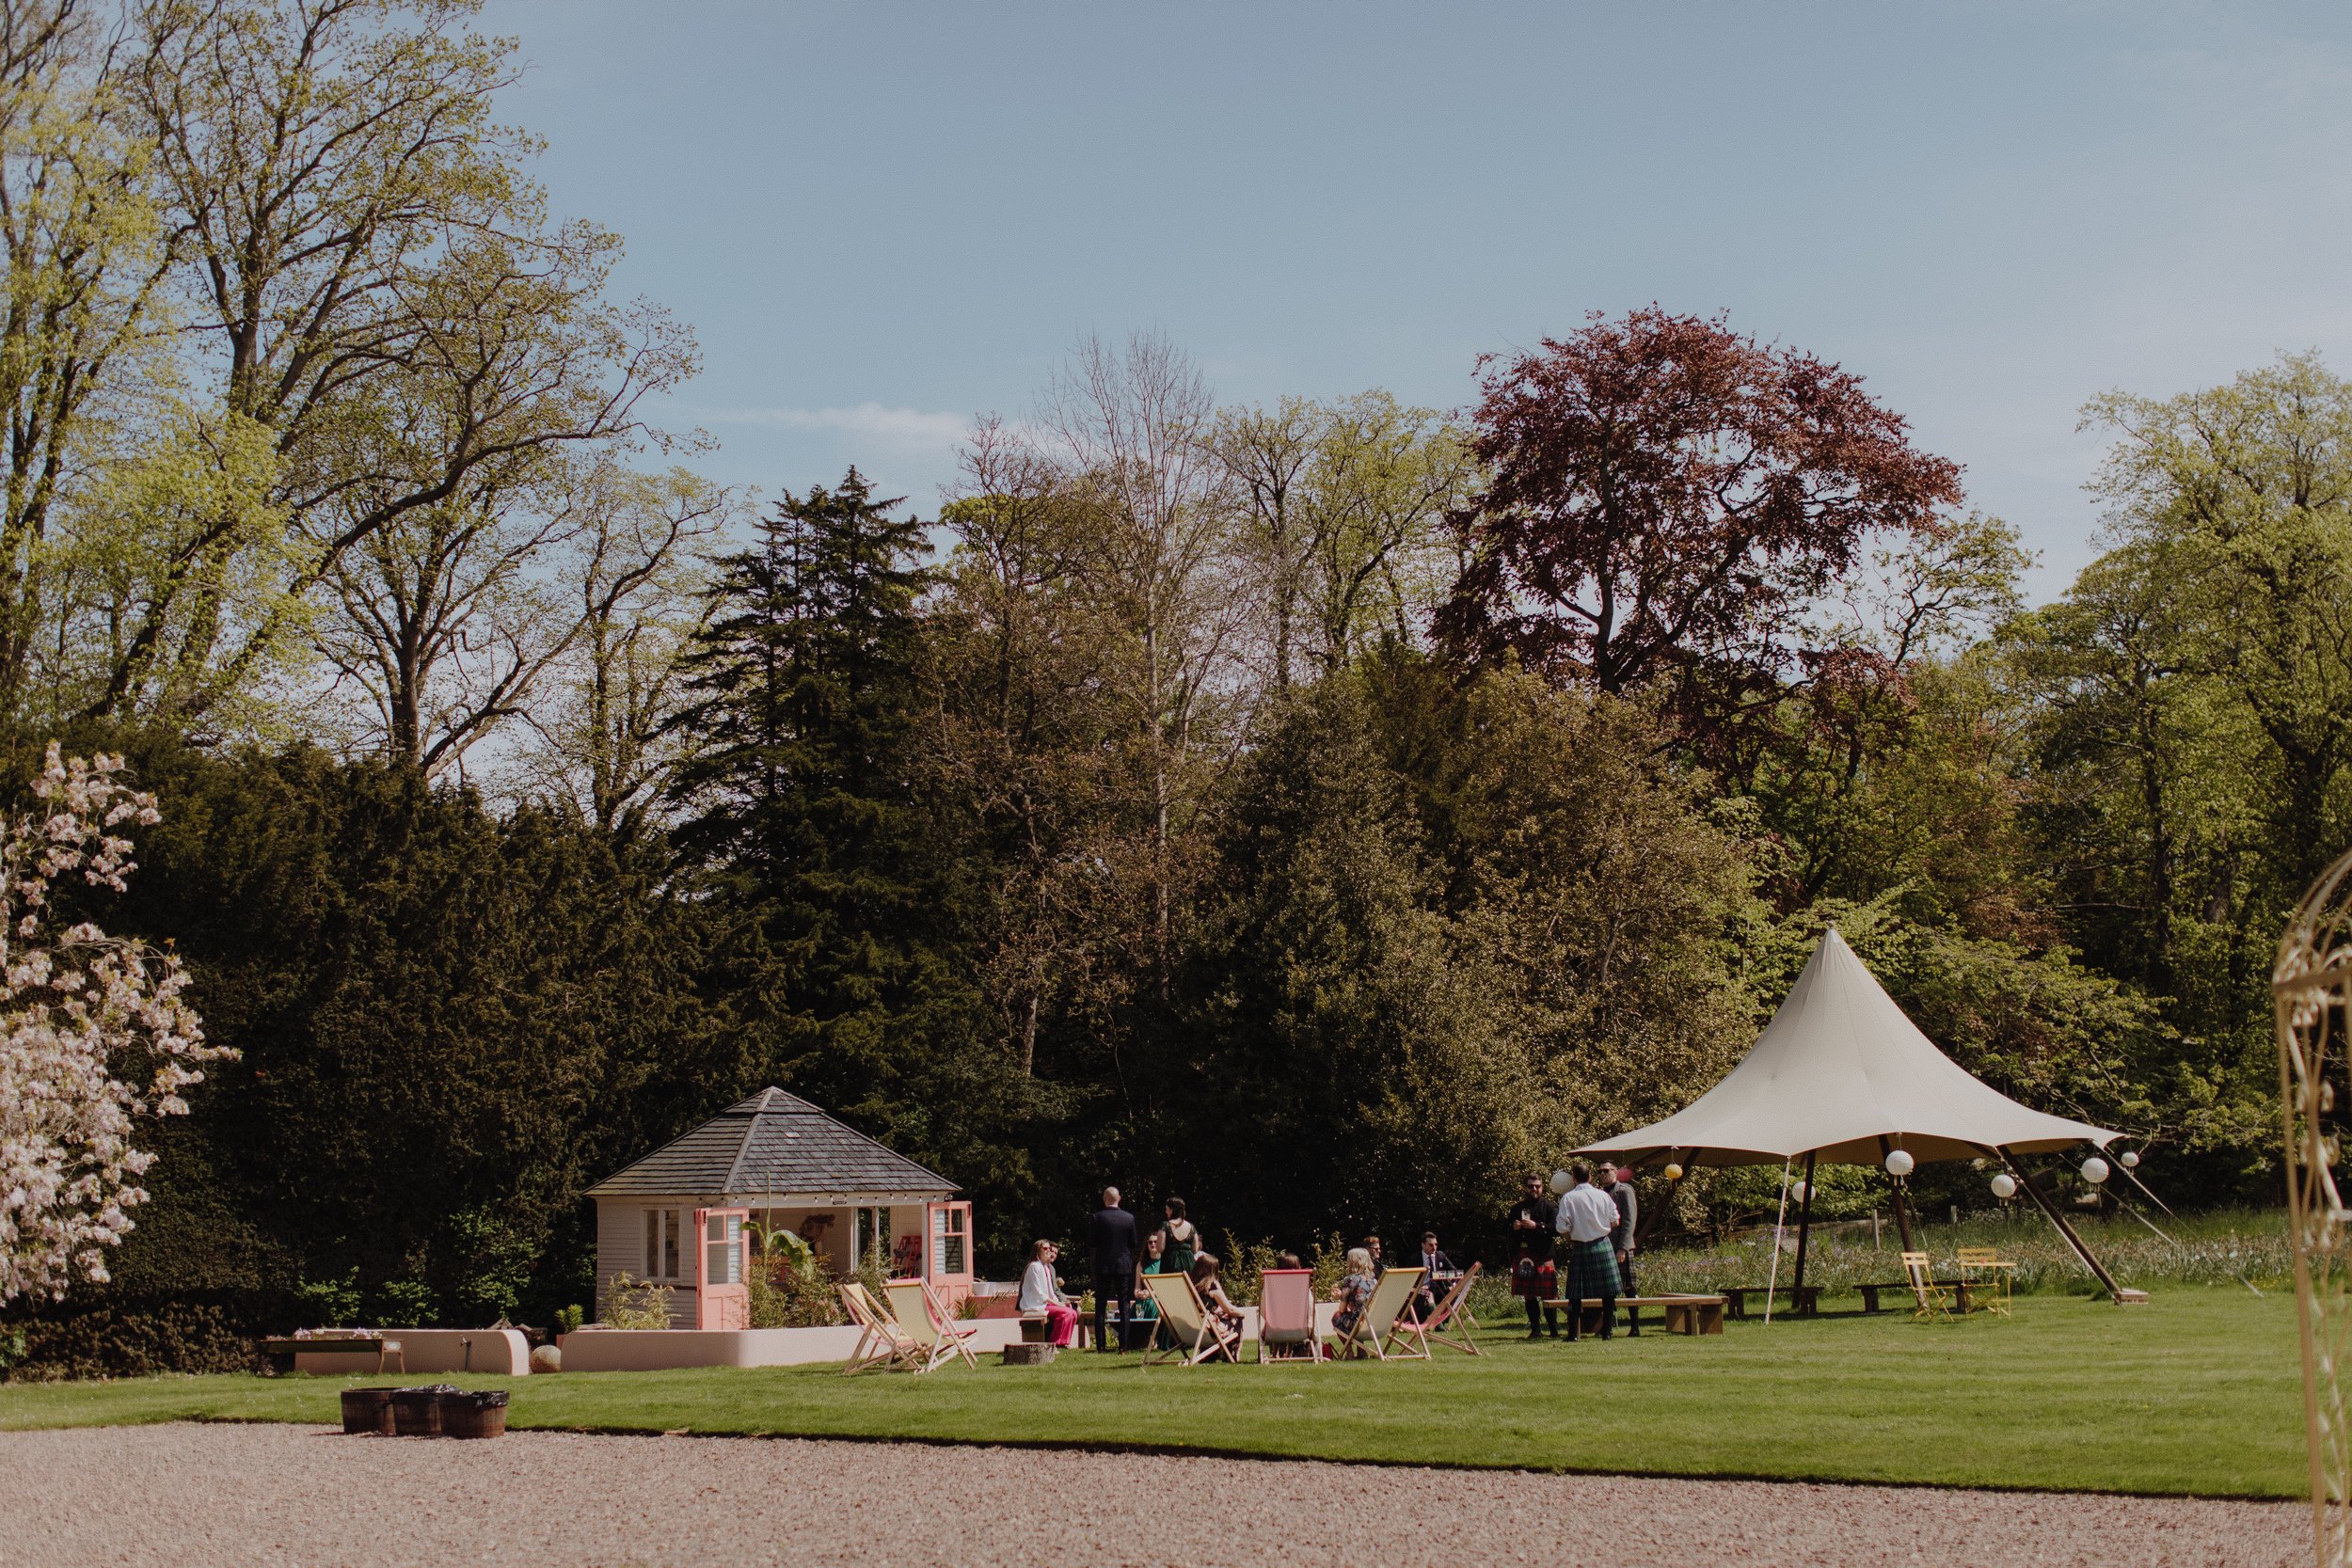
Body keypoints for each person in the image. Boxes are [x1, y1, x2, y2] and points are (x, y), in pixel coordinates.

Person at [1554, 1164, 1624, 1341]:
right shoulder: (1603, 1195)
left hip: (1580, 1246)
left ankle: (1573, 1335)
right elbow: (1615, 1221)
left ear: (1574, 1179)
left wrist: (1571, 1239)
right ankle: (1607, 1332)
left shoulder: (1568, 1198)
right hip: (1603, 1244)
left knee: (1575, 1294)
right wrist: (1600, 1228)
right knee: (1608, 1293)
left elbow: (1561, 1227)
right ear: (1590, 1177)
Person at [1507, 1173, 1560, 1338]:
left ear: (1542, 1187)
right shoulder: (1516, 1208)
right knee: (1529, 1295)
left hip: (1543, 1255)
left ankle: (1554, 1330)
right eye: (1531, 1186)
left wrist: (1535, 1226)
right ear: (1526, 1188)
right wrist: (1514, 1228)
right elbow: (1505, 1231)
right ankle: (1535, 1330)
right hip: (1523, 1255)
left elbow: (1555, 1229)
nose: (1534, 1189)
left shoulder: (1551, 1207)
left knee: (1549, 1295)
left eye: (1537, 1186)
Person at [1089, 1186, 1139, 1353]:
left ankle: (1101, 1346)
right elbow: (1133, 1243)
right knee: (1124, 1306)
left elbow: (1092, 1242)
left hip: (1103, 1265)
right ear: (1120, 1198)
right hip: (1123, 1265)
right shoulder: (1129, 1218)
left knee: (1100, 1306)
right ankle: (1123, 1346)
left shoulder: (1097, 1218)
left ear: (1104, 1199)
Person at [1597, 1165, 1640, 1326]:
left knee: (1629, 1286)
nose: (1603, 1174)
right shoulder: (1600, 1193)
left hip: (1621, 1247)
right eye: (1600, 1171)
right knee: (1607, 1289)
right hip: (1605, 1246)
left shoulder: (1624, 1191)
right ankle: (1606, 1327)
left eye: (1606, 1170)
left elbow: (1629, 1221)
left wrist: (1623, 1248)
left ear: (1615, 1172)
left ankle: (1635, 1326)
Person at [1018, 1239, 1079, 1347]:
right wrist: (1057, 1304)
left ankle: (1063, 1343)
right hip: (1035, 1305)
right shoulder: (1034, 1267)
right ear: (1038, 1250)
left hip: (1045, 1303)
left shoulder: (1045, 1267)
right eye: (1045, 1248)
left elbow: (1050, 1291)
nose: (1048, 1251)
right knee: (1066, 1313)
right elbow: (1039, 1293)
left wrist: (1060, 1303)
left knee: (1073, 1312)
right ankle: (1054, 1343)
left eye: (1049, 1249)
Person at [1330, 1246, 1378, 1355]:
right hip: (1373, 1324)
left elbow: (1342, 1309)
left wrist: (1341, 1296)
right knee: (1356, 1316)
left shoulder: (1350, 1280)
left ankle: (1349, 1352)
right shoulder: (1374, 1281)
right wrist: (1343, 1295)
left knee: (1337, 1317)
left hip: (1359, 1325)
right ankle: (1362, 1352)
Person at [1189, 1253, 1245, 1338]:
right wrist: (1243, 1313)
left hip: (1193, 1329)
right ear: (1214, 1271)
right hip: (1210, 1331)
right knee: (1236, 1317)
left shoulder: (1191, 1287)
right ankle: (1231, 1346)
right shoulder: (1212, 1288)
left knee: (1225, 1315)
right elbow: (1230, 1309)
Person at [1132, 1227, 1168, 1350]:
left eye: (1156, 1242)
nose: (1153, 1244)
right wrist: (1139, 1294)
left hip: (1158, 1299)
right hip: (1144, 1298)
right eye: (1150, 1242)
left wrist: (1151, 1293)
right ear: (1147, 1245)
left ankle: (1154, 1339)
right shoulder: (1141, 1264)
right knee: (1138, 1304)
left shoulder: (1165, 1263)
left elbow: (1166, 1288)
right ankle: (1140, 1339)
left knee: (1153, 1304)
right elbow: (1136, 1288)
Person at [1410, 1231, 1455, 1320]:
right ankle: (1429, 1321)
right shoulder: (1414, 1259)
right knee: (1425, 1296)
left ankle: (1442, 1320)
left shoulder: (1441, 1255)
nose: (1434, 1247)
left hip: (1438, 1290)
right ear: (1423, 1245)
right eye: (1431, 1245)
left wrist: (1453, 1283)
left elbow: (1454, 1271)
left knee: (1454, 1292)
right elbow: (1409, 1281)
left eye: (1436, 1244)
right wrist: (1419, 1288)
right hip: (1421, 1291)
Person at [1159, 1197, 1199, 1276]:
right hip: (1189, 1263)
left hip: (1170, 1263)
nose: (1166, 1211)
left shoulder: (1165, 1225)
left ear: (1172, 1210)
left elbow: (1160, 1248)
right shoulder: (1191, 1227)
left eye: (1167, 1209)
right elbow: (1195, 1250)